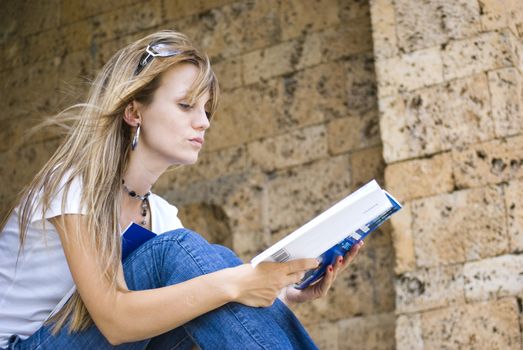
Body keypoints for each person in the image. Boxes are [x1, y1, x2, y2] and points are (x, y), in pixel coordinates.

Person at [0, 30, 363, 350]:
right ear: (133, 112)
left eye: (206, 110)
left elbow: (204, 308)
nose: (203, 121)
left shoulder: (160, 216)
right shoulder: (73, 183)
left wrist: (284, 295)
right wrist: (239, 281)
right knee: (185, 255)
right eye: (186, 105)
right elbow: (114, 322)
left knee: (205, 270)